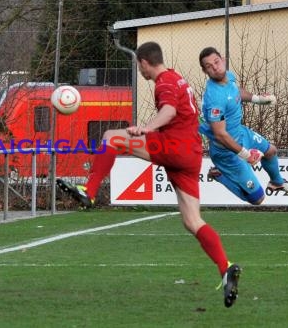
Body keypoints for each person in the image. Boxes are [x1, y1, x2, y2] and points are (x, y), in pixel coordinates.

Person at [57, 41, 241, 308]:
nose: (140, 70)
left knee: (111, 137)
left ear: (144, 62)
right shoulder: (177, 78)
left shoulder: (164, 82)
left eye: (138, 65)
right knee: (192, 220)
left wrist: (147, 128)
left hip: (174, 147)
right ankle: (225, 268)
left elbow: (169, 111)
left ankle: (90, 192)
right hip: (190, 155)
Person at [198, 47, 288, 206]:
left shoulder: (228, 76)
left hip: (241, 133)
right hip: (226, 150)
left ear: (223, 60)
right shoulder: (215, 98)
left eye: (216, 62)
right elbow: (220, 134)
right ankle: (219, 174)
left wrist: (257, 99)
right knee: (258, 199)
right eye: (209, 66)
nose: (215, 67)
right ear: (205, 71)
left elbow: (236, 91)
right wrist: (246, 155)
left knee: (271, 151)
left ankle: (277, 182)